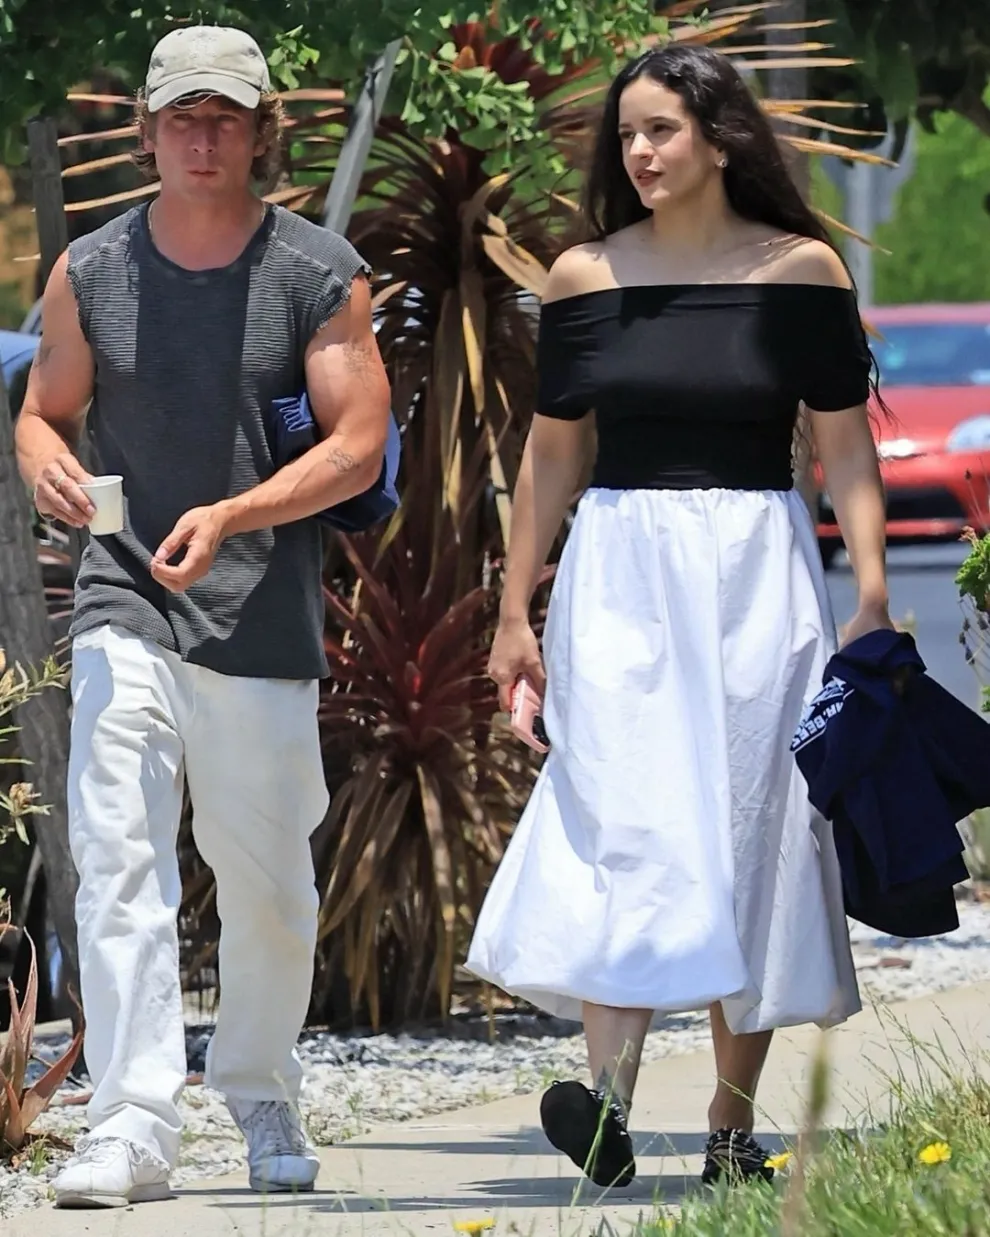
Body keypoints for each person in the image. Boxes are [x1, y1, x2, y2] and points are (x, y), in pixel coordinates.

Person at [466, 43, 891, 1190]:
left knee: (754, 825)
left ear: (718, 137)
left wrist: (871, 597)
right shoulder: (583, 278)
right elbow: (551, 458)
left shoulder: (803, 271)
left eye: (660, 131)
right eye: (628, 136)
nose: (639, 153)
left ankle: (728, 1126)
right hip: (620, 569)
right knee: (630, 814)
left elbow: (846, 445)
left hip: (757, 563)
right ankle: (604, 1106)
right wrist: (516, 612)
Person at [15, 24, 391, 1208]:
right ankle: (132, 1118)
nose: (203, 134)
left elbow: (358, 443)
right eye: (182, 115)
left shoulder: (316, 273)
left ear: (263, 128)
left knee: (267, 873)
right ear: (146, 132)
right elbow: (44, 409)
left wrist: (234, 514)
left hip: (259, 615)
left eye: (226, 114)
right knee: (118, 851)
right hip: (124, 595)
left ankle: (261, 1077)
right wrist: (44, 465)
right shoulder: (92, 269)